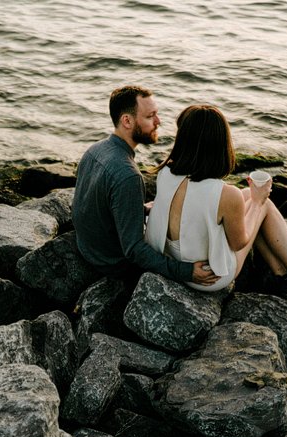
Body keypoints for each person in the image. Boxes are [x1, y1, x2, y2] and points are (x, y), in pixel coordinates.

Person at [144, 104, 287, 306]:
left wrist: (251, 198)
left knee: (247, 193)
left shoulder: (166, 173)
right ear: (220, 144)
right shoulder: (226, 194)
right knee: (263, 205)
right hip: (209, 277)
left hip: (176, 261)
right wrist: (257, 202)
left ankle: (283, 277)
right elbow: (239, 243)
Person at [72, 85, 219, 286]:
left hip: (88, 248)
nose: (158, 122)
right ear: (127, 121)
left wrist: (139, 209)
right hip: (112, 263)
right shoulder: (128, 176)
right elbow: (134, 250)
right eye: (150, 117)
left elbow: (99, 203)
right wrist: (186, 271)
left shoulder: (95, 150)